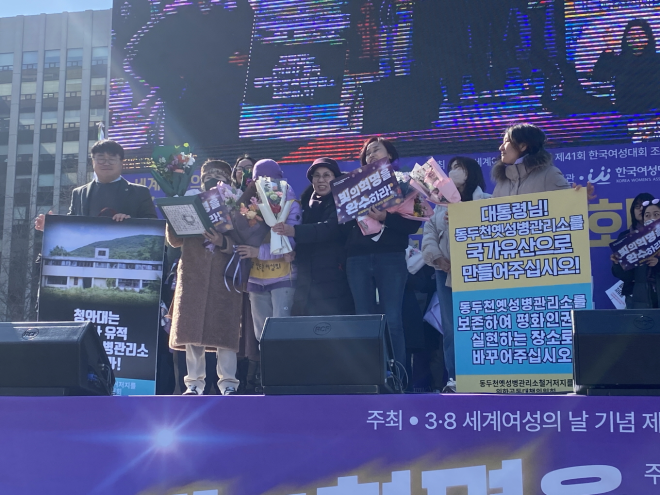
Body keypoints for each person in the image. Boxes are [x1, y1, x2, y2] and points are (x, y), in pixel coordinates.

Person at [343, 137, 422, 368]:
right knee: (364, 319)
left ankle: (397, 376)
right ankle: (369, 374)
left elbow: (414, 225)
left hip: (391, 258)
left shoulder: (406, 182)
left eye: (376, 150)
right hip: (357, 259)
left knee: (393, 320)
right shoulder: (352, 185)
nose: (371, 155)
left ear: (390, 155)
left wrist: (385, 217)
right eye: (367, 153)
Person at [167, 160, 243, 395]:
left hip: (224, 275)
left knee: (225, 332)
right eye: (208, 177)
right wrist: (174, 211)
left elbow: (245, 241)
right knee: (192, 332)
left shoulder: (236, 202)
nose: (213, 181)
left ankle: (229, 383)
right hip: (193, 274)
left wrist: (223, 242)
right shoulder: (191, 200)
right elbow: (175, 241)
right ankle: (193, 384)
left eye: (219, 177)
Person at [422, 156, 491, 393]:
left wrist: (466, 217)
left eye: (458, 168)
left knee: (480, 323)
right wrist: (436, 258)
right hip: (447, 272)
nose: (453, 172)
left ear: (471, 172)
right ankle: (455, 377)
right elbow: (429, 233)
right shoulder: (440, 205)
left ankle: (485, 376)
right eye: (450, 168)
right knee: (451, 327)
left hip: (479, 272)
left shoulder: (487, 200)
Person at [272, 157, 354, 316]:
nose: (321, 180)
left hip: (333, 274)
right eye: (317, 176)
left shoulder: (343, 201)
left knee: (331, 324)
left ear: (335, 179)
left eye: (326, 175)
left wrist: (294, 231)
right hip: (306, 278)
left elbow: (329, 228)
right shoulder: (304, 203)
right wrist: (293, 253)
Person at [237, 159, 302, 342]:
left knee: (282, 333)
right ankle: (266, 361)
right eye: (260, 179)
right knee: (262, 336)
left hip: (283, 277)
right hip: (256, 278)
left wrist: (257, 252)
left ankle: (285, 363)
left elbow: (290, 242)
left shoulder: (290, 202)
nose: (266, 184)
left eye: (271, 179)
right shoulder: (247, 204)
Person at [34, 139, 157, 230]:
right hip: (86, 255)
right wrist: (51, 226)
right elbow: (72, 226)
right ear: (93, 162)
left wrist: (130, 222)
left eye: (112, 159)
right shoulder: (79, 193)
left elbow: (154, 227)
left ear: (121, 163)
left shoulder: (140, 192)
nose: (106, 163)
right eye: (101, 159)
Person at [592, 18, 660, 114]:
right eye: (632, 35)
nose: (636, 38)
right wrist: (609, 48)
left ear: (648, 37)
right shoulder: (619, 60)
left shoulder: (656, 60)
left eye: (640, 34)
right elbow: (599, 76)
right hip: (626, 113)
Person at [612, 196, 660, 309]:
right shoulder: (631, 239)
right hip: (640, 299)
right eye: (647, 215)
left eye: (656, 214)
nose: (651, 218)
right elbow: (626, 276)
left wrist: (658, 263)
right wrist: (618, 263)